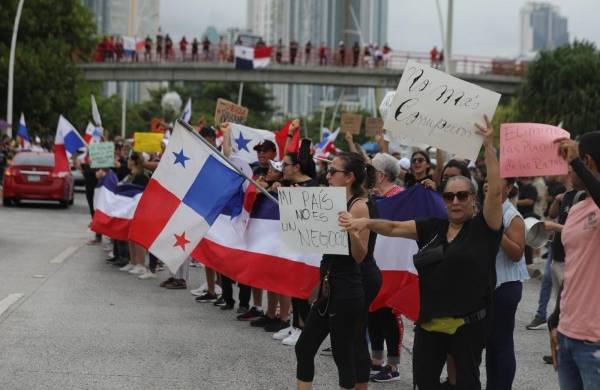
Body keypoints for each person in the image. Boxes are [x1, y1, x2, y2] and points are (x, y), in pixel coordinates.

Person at [341, 115, 503, 389]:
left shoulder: (484, 229)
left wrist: (488, 146)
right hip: (429, 326)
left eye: (462, 196)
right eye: (449, 196)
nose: (455, 201)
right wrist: (365, 222)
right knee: (425, 384)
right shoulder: (432, 227)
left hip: (467, 328)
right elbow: (393, 227)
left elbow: (496, 193)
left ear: (473, 199)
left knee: (465, 384)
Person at [296, 152, 380, 390]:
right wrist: (300, 207)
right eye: (328, 170)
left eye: (334, 171)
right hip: (329, 282)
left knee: (344, 353)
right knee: (304, 347)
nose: (328, 175)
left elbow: (359, 256)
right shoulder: (331, 200)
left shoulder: (359, 207)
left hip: (350, 284)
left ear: (349, 177)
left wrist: (351, 229)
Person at [547, 131, 600, 389]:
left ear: (587, 161)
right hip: (568, 334)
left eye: (571, 163)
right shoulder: (579, 205)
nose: (568, 169)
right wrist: (555, 321)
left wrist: (576, 160)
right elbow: (574, 270)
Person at [485, 177, 529, 390]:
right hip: (490, 285)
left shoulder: (512, 215)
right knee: (491, 344)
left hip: (506, 286)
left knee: (501, 343)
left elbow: (517, 253)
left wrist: (496, 232)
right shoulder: (488, 209)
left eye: (493, 181)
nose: (487, 184)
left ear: (509, 188)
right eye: (486, 180)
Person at [368, 153, 404, 383]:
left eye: (371, 171)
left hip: (392, 264)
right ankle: (376, 360)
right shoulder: (373, 198)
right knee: (373, 312)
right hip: (373, 263)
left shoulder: (401, 197)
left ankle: (393, 365)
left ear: (380, 175)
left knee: (390, 315)